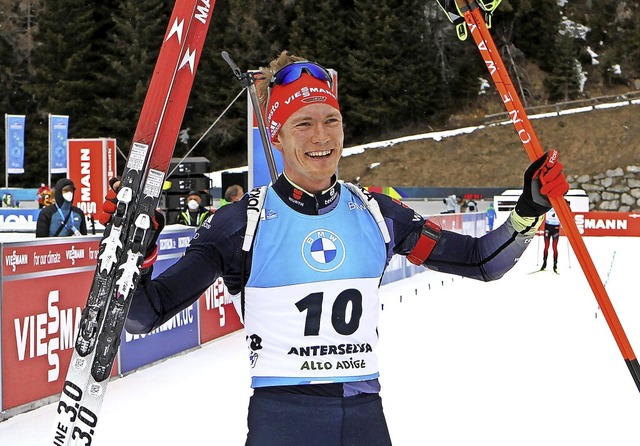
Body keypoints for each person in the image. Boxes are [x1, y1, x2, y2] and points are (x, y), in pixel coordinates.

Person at [113, 52, 569, 446]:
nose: (321, 137)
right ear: (277, 136)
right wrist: (136, 251)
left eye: (331, 121)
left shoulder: (378, 215)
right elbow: (143, 314)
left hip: (363, 416)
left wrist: (529, 207)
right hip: (283, 418)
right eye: (304, 124)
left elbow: (481, 261)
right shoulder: (240, 225)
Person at [540, 207, 561, 273]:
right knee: (546, 246)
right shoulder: (548, 204)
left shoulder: (559, 205)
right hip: (548, 226)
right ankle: (544, 263)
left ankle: (555, 265)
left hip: (556, 228)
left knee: (554, 247)